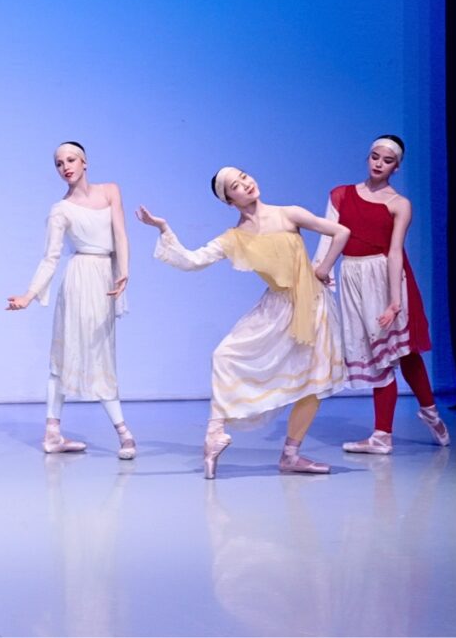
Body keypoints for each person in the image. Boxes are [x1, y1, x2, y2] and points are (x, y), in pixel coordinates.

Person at [136, 166, 349, 478]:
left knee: (311, 383)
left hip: (311, 305)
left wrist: (324, 267)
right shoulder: (234, 238)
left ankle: (291, 454)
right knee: (224, 354)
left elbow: (340, 232)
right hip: (276, 307)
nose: (246, 184)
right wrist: (163, 228)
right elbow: (192, 261)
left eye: (245, 176)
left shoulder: (288, 214)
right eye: (236, 185)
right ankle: (215, 432)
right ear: (229, 200)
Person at [313, 135, 450, 454]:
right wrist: (321, 273)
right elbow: (330, 239)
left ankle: (429, 411)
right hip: (352, 276)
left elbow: (395, 252)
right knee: (376, 358)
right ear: (368, 157)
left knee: (403, 352)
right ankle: (381, 436)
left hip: (384, 277)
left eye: (387, 160)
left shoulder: (398, 204)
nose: (379, 163)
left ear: (397, 166)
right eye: (375, 157)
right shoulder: (341, 195)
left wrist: (395, 301)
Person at [7, 142, 136, 460]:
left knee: (101, 351)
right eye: (59, 163)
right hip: (79, 280)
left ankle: (113, 432)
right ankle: (108, 433)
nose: (65, 166)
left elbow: (121, 234)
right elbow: (50, 259)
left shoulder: (110, 191)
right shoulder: (60, 210)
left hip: (105, 277)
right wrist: (29, 295)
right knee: (65, 354)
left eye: (71, 160)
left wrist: (125, 272)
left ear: (85, 162)